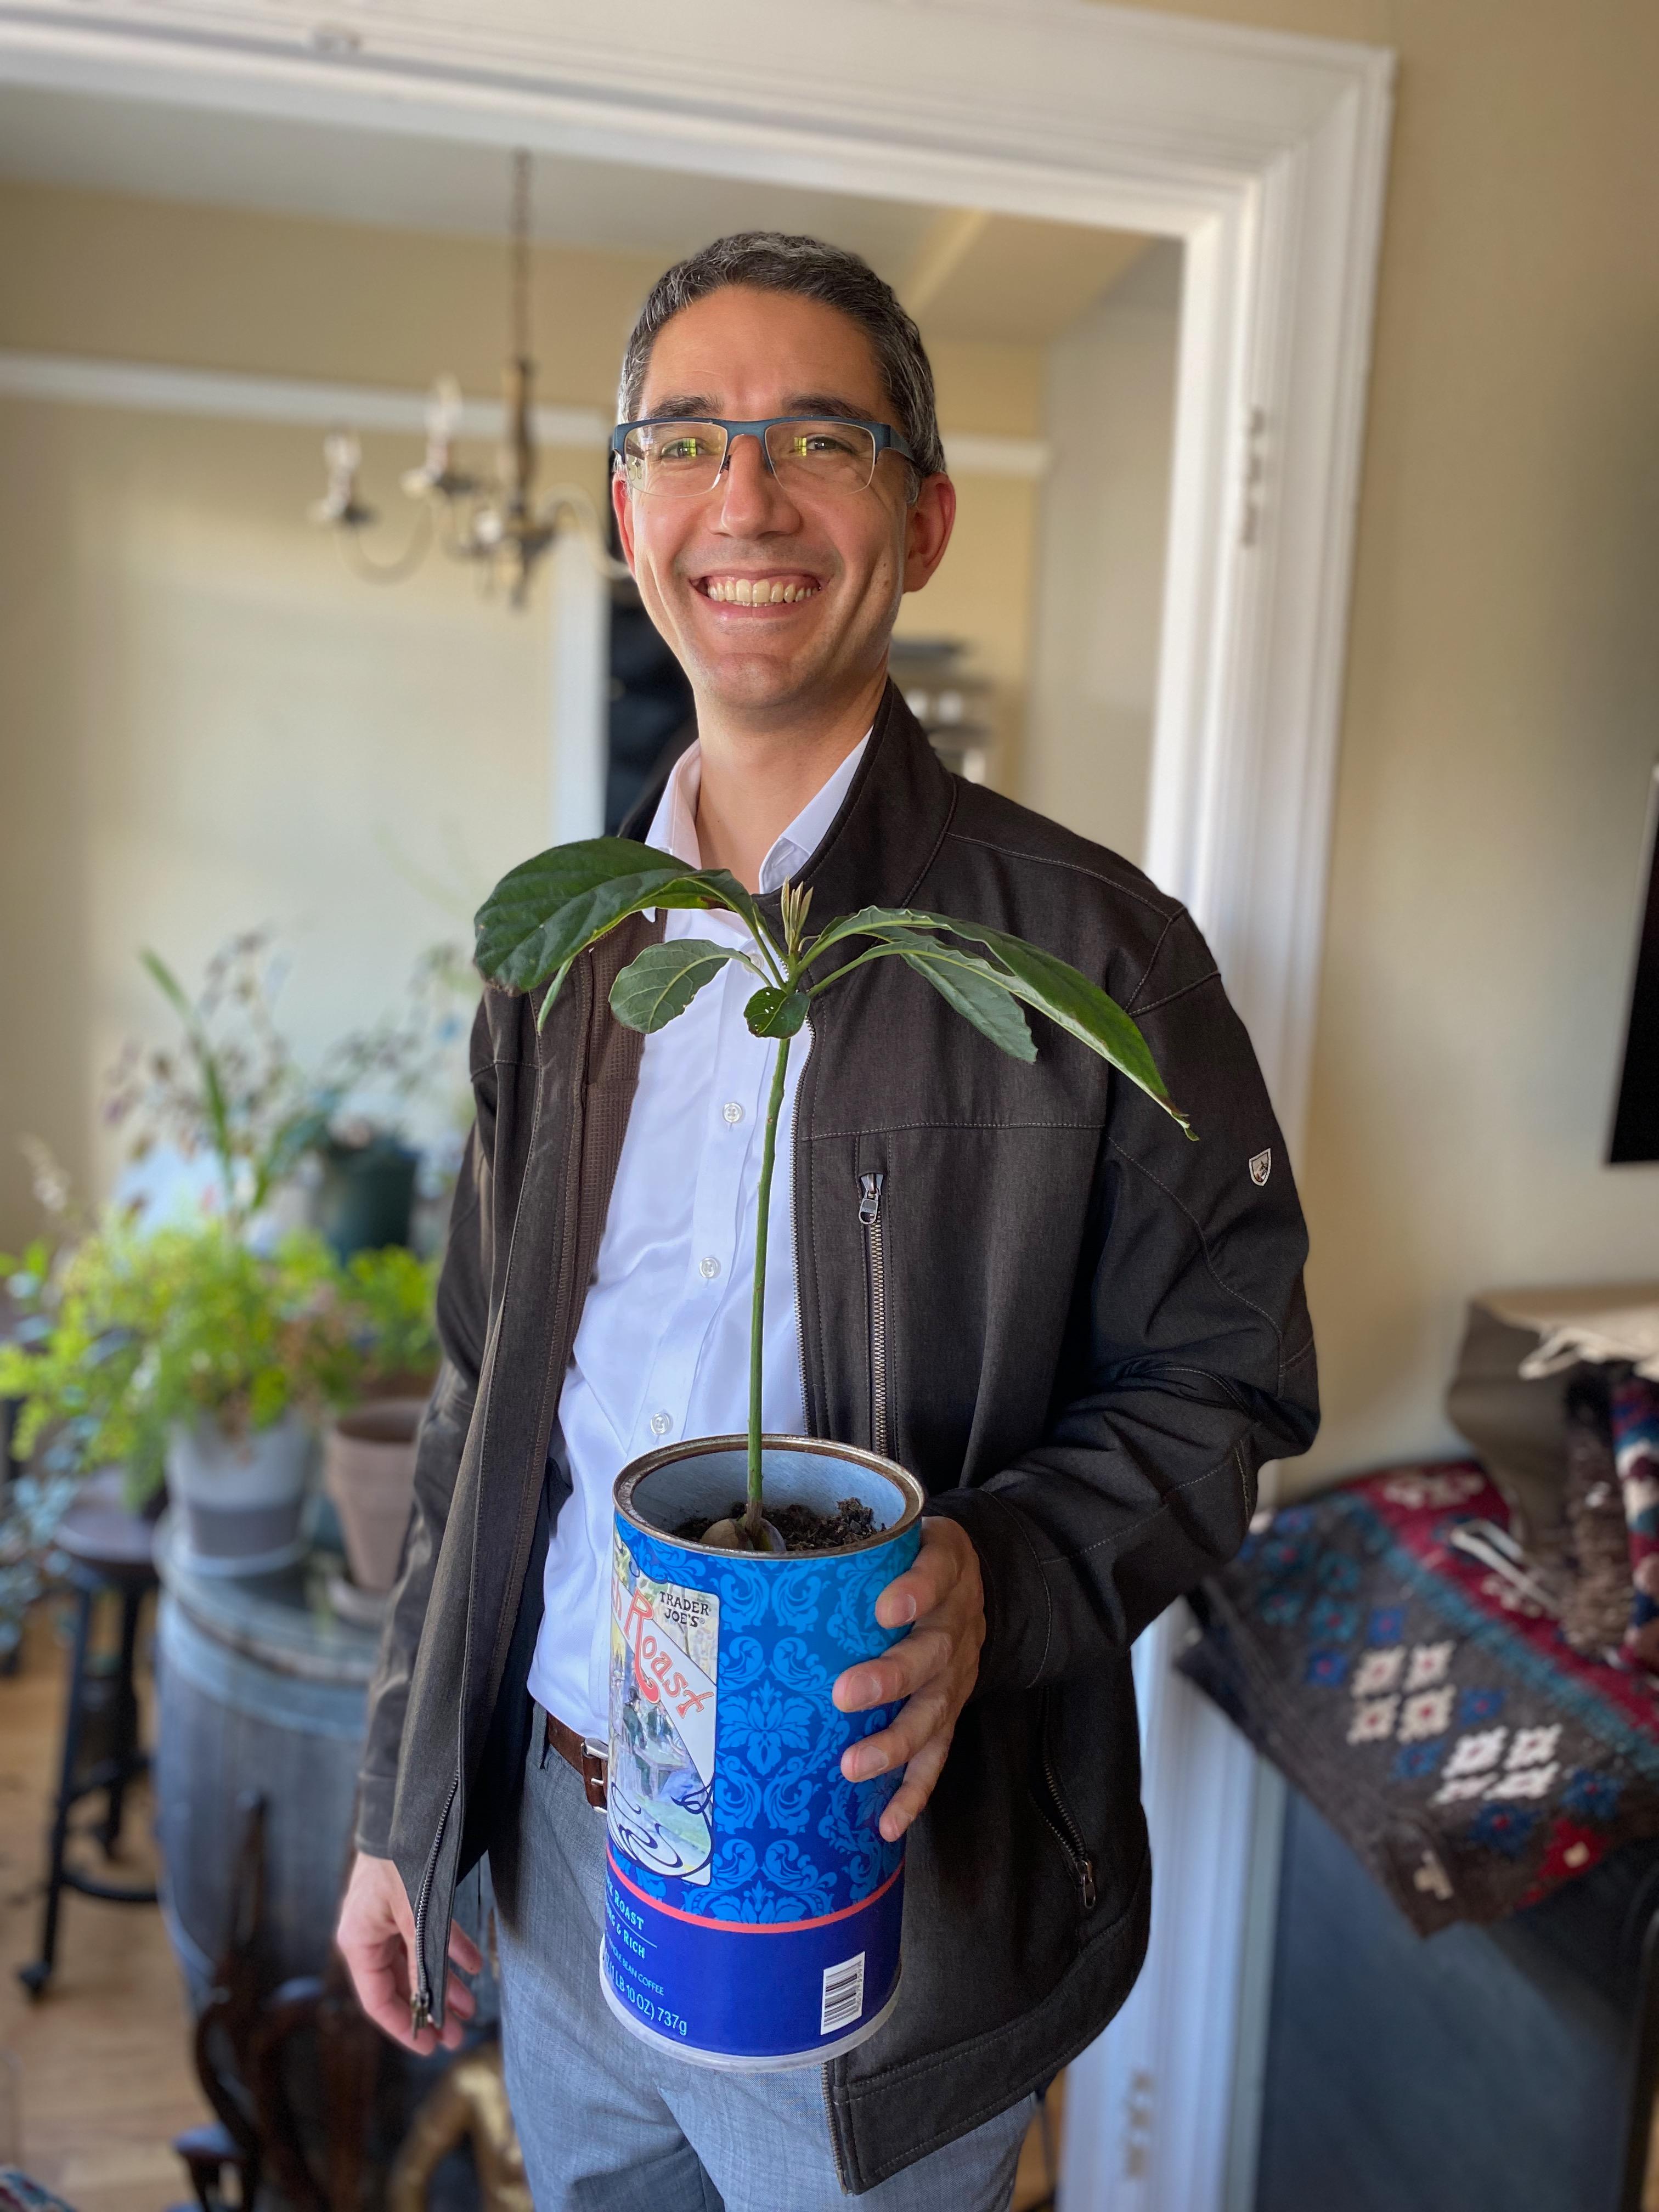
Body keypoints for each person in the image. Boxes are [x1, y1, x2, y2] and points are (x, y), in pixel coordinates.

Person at [336, 231, 1318, 2209]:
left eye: (820, 441)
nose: (747, 499)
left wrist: (1002, 1570)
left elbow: (1226, 1389)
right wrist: (403, 1800)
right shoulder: (565, 952)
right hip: (560, 1849)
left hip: (889, 1900)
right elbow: (479, 1404)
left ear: (925, 515)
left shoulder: (1094, 954)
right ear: (628, 512)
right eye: (688, 440)